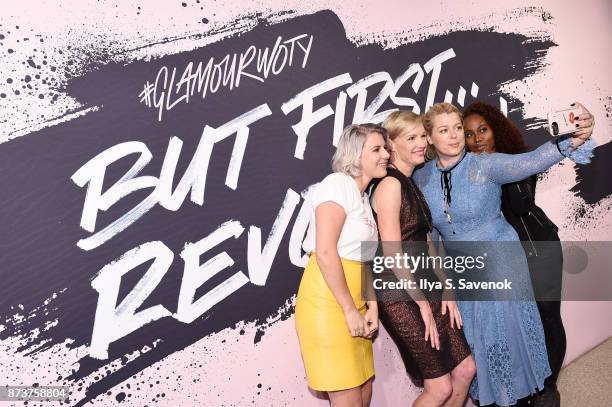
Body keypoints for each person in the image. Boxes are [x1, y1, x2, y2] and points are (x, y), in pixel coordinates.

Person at [412, 103, 594, 407]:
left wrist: (573, 138)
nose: (456, 136)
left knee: (507, 340)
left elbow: (533, 161)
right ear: (429, 137)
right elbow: (429, 232)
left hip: (499, 263)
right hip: (460, 270)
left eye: (457, 128)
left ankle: (522, 398)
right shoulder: (422, 177)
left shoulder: (485, 164)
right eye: (444, 130)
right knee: (477, 343)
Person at [370, 111, 476, 407]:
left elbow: (427, 243)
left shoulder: (409, 180)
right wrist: (422, 304)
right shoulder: (390, 185)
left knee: (466, 369)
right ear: (391, 144)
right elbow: (392, 252)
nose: (422, 143)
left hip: (426, 282)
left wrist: (446, 290)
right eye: (411, 138)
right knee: (439, 387)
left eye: (422, 136)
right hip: (400, 292)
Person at [295, 123, 390, 407]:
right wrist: (349, 309)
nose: (386, 153)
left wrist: (373, 306)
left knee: (363, 394)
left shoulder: (362, 198)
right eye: (377, 149)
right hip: (328, 305)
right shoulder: (337, 184)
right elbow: (325, 252)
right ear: (354, 155)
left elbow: (364, 262)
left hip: (356, 305)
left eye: (385, 148)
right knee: (347, 398)